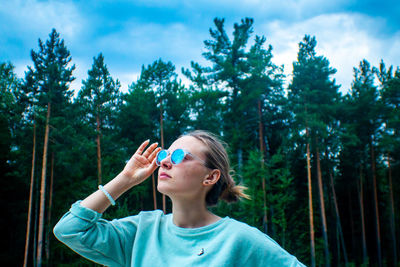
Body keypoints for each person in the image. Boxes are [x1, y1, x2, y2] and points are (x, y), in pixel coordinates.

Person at [54, 130, 306, 266]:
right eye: (164, 154)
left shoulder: (239, 240)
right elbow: (70, 230)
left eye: (178, 156)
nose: (163, 161)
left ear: (210, 177)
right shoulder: (141, 231)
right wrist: (126, 179)